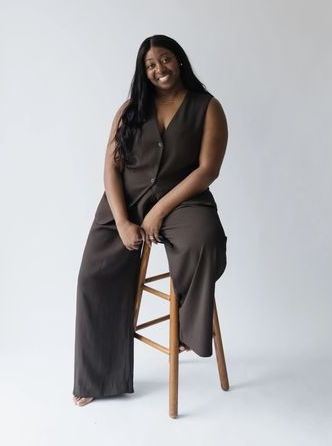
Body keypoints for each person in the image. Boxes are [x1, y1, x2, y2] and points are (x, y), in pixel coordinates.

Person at [72, 34, 228, 407]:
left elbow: (208, 169)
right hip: (125, 202)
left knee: (204, 239)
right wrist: (123, 222)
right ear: (143, 72)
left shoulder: (207, 107)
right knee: (93, 275)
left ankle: (190, 330)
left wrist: (159, 211)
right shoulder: (130, 109)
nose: (160, 68)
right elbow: (111, 169)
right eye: (150, 64)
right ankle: (99, 377)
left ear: (180, 60)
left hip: (182, 200)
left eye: (166, 59)